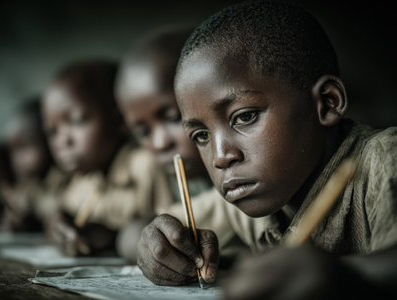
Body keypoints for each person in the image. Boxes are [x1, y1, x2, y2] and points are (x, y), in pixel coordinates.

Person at [137, 1, 397, 298]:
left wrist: (342, 273)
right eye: (201, 135)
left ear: (327, 102)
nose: (221, 157)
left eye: (245, 117)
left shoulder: (384, 159)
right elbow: (137, 229)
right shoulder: (248, 202)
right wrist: (155, 244)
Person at [115, 26, 246, 263]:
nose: (160, 142)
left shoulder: (250, 179)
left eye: (174, 118)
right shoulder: (179, 183)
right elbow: (135, 233)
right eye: (143, 132)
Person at [42, 59, 173, 256]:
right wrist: (57, 224)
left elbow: (171, 230)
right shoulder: (86, 178)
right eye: (52, 131)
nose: (62, 141)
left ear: (120, 119)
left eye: (77, 121)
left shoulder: (145, 166)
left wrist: (117, 238)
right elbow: (61, 210)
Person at [1, 98, 60, 232]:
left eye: (24, 147)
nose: (16, 159)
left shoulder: (66, 180)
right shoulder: (29, 184)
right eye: (12, 150)